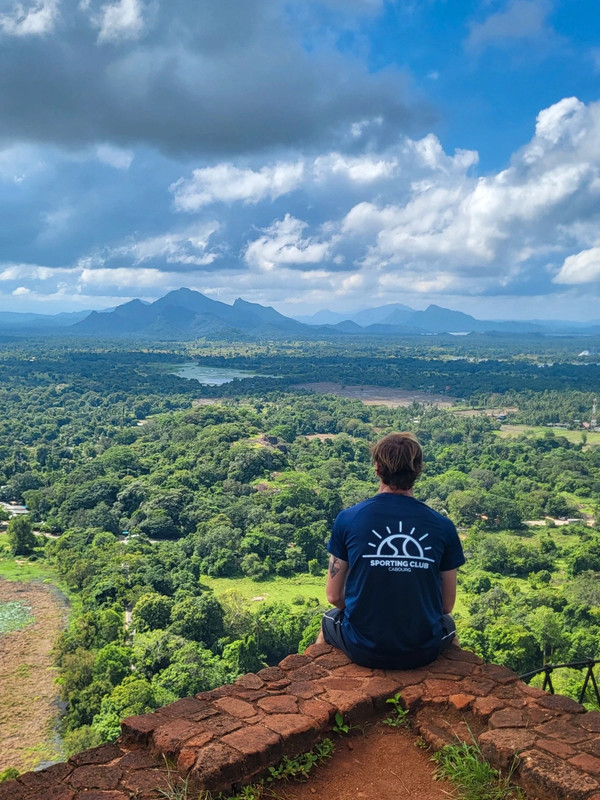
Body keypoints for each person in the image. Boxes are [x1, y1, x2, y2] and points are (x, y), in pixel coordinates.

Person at [316, 432, 465, 669]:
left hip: (362, 648)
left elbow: (333, 597)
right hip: (422, 651)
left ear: (377, 468)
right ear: (418, 470)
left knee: (328, 620)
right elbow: (445, 606)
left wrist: (363, 609)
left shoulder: (349, 519)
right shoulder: (442, 526)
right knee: (448, 625)